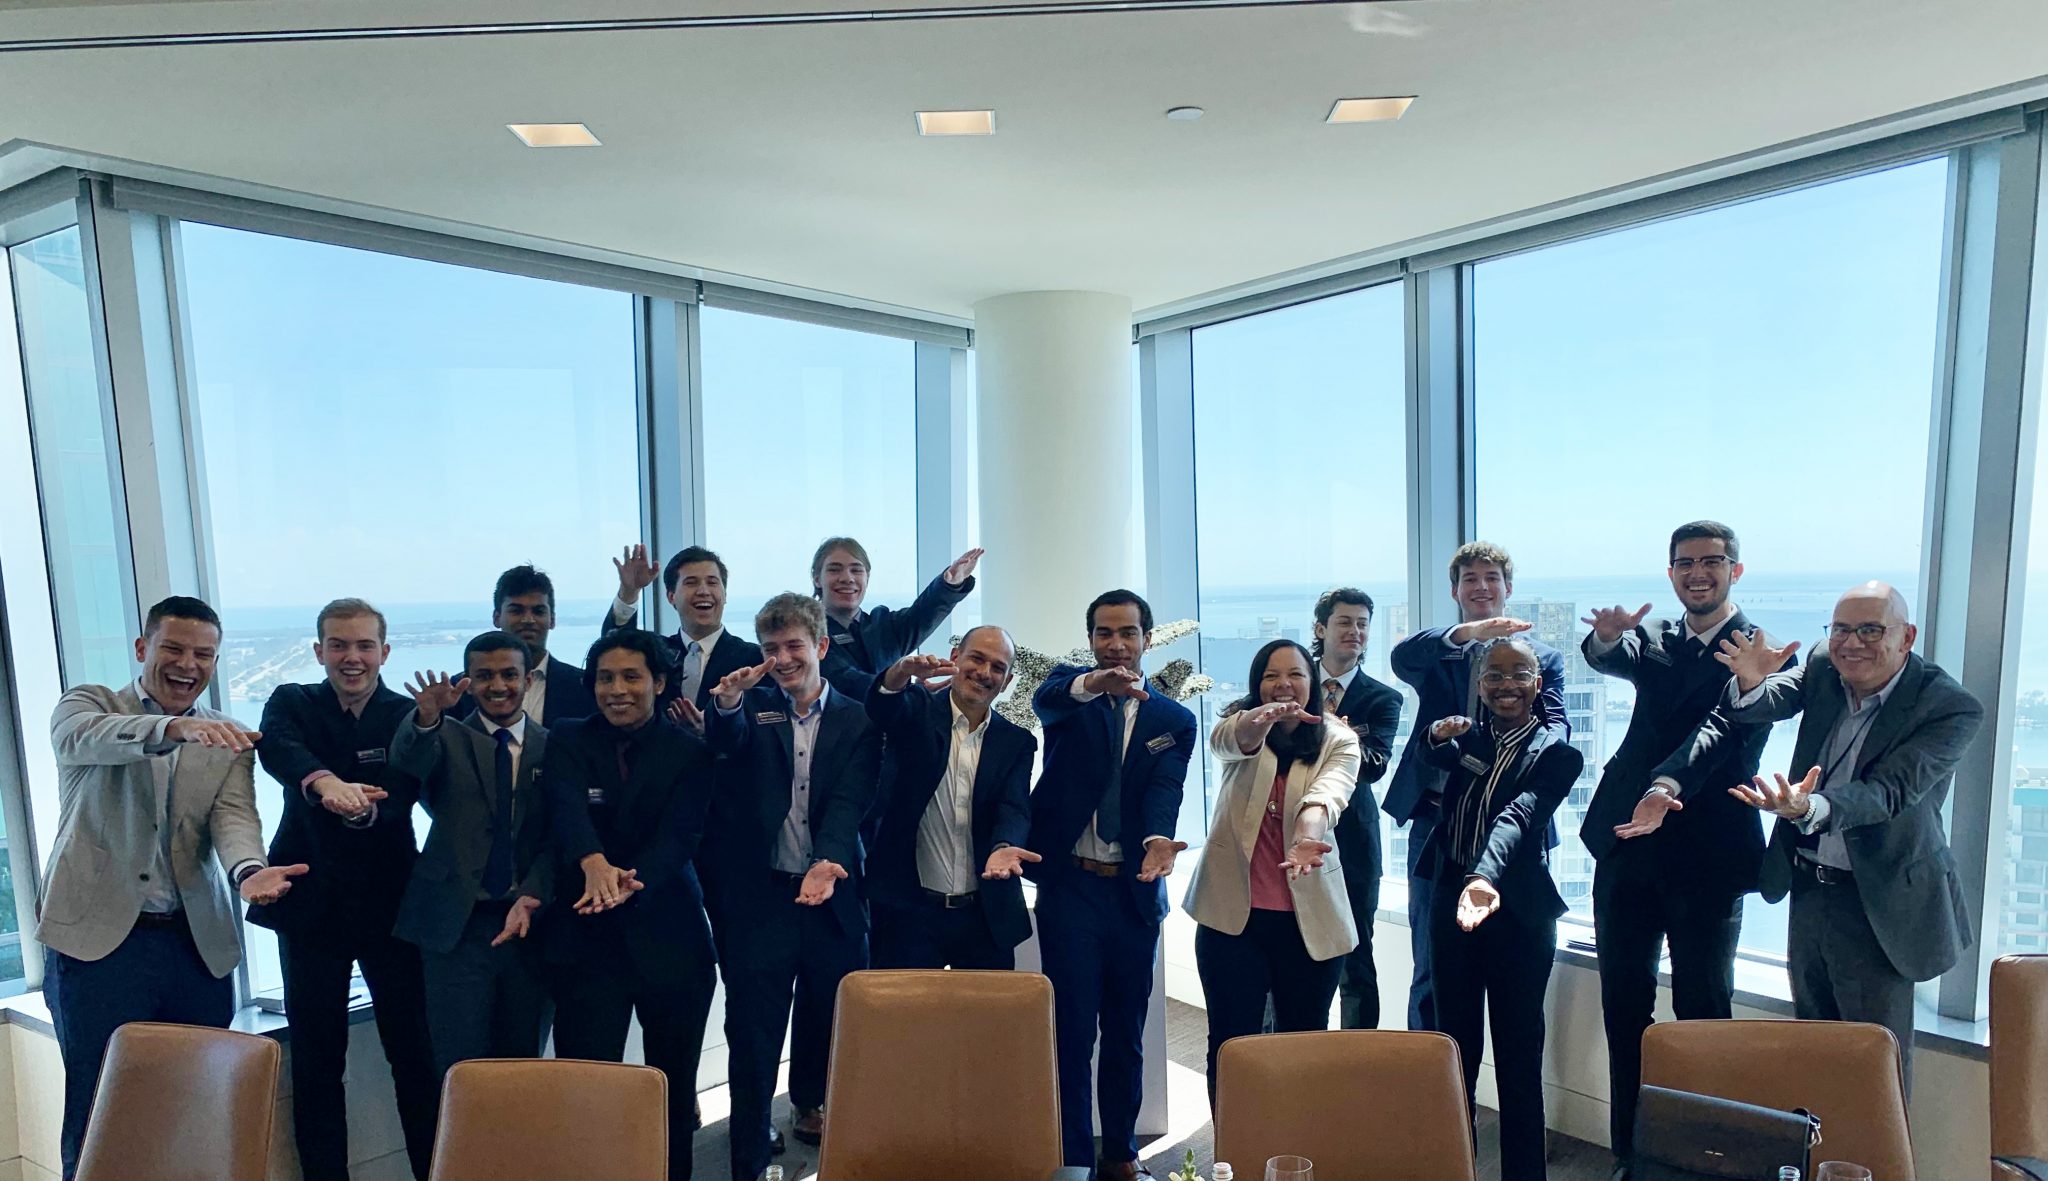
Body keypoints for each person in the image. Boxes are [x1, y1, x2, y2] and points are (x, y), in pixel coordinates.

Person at [36, 596, 305, 1181]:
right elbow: (81, 740)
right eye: (174, 649)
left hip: (193, 948)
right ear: (143, 649)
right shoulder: (89, 705)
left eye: (203, 654)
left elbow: (233, 819)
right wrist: (172, 727)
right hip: (100, 949)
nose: (189, 664)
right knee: (99, 1109)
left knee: (196, 1101)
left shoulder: (225, 738)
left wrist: (247, 872)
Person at [1710, 581, 1983, 1096]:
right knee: (1814, 1050)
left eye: (1870, 630)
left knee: (1873, 1068)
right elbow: (1771, 699)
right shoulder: (1822, 664)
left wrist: (1810, 807)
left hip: (1879, 902)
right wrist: (1749, 684)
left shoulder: (1948, 706)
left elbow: (1890, 793)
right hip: (1810, 888)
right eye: (1840, 629)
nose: (1851, 643)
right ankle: (1822, 1166)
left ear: (1907, 637)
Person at [1577, 521, 1789, 1165]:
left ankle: (1700, 1165)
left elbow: (1728, 727)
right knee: (1624, 1010)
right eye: (1685, 563)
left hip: (1709, 859)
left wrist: (1668, 783)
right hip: (1627, 847)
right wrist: (1606, 637)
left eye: (1712, 561)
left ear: (1736, 571)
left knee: (1703, 1015)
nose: (1698, 572)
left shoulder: (1765, 653)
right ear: (1670, 573)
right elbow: (1612, 655)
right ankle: (1628, 1158)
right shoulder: (1656, 638)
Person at [251, 599, 438, 1181]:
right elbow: (279, 750)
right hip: (309, 906)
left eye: (363, 646)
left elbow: (406, 789)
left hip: (392, 908)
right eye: (338, 645)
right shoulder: (292, 703)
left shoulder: (408, 714)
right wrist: (326, 783)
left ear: (384, 652)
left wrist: (361, 812)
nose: (351, 658)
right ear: (319, 652)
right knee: (316, 1062)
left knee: (414, 1057)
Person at [703, 593, 882, 1169]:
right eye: (770, 648)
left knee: (833, 1025)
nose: (782, 659)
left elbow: (851, 801)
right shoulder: (751, 707)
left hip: (834, 901)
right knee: (753, 1038)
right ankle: (749, 1156)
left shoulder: (857, 717)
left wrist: (829, 862)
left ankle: (821, 1120)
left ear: (821, 647)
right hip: (764, 901)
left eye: (793, 646)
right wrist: (727, 705)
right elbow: (725, 745)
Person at [1028, 589, 1197, 1181]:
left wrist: (1157, 838)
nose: (1116, 644)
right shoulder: (1070, 693)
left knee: (1124, 1032)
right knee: (1071, 1032)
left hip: (1133, 892)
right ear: (1092, 639)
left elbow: (1166, 790)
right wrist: (1095, 684)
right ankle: (1075, 1158)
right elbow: (1044, 700)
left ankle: (1121, 1153)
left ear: (1148, 639)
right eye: (1104, 633)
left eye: (1128, 633)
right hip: (1071, 890)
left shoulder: (1173, 720)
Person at [542, 628, 718, 1181]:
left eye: (632, 677)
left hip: (672, 939)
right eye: (605, 678)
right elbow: (566, 809)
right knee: (588, 1092)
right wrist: (593, 862)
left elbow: (681, 836)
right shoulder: (569, 738)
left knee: (671, 1091)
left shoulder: (689, 750)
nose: (617, 689)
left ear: (660, 683)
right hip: (587, 945)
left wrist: (623, 881)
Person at [1383, 542, 1568, 1031]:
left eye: (1491, 578)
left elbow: (1556, 722)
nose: (1481, 586)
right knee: (1430, 957)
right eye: (1470, 579)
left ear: (1509, 588)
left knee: (1517, 961)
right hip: (1439, 821)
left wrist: (1538, 760)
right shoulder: (1440, 650)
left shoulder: (1541, 659)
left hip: (1516, 823)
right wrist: (1468, 634)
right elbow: (1401, 658)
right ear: (1455, 591)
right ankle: (1430, 1082)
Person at [1423, 638, 1582, 1181]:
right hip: (1453, 907)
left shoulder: (1558, 752)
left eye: (1520, 674)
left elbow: (1519, 816)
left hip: (1516, 916)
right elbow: (1432, 767)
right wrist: (1433, 738)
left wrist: (1483, 878)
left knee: (1517, 1060)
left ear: (1539, 685)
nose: (1506, 684)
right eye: (1495, 675)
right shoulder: (1471, 737)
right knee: (1456, 1050)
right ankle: (1453, 1165)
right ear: (1480, 685)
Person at [1183, 639, 1360, 1102]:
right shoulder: (1238, 727)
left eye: (1296, 674)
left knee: (1302, 1047)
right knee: (1231, 1046)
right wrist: (1257, 719)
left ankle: (1296, 1157)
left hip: (1308, 923)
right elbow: (1229, 742)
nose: (1283, 684)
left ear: (1312, 681)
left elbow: (1327, 795)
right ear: (1256, 684)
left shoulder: (1339, 740)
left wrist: (1306, 836)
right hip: (1232, 920)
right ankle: (1233, 1159)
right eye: (1271, 675)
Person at [390, 630, 555, 1075]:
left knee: (521, 1063)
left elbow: (560, 836)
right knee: (459, 1067)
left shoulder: (554, 746)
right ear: (469, 680)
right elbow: (408, 761)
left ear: (528, 681)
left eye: (508, 674)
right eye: (484, 676)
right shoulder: (444, 738)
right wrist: (425, 716)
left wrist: (536, 893)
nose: (497, 685)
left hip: (527, 927)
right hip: (455, 927)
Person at [863, 626, 1039, 970]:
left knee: (985, 1020)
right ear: (956, 657)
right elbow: (882, 706)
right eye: (977, 658)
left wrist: (1005, 845)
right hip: (909, 912)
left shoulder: (1016, 741)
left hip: (984, 915)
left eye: (998, 668)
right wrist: (900, 672)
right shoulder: (916, 711)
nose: (984, 672)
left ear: (1007, 681)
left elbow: (1014, 807)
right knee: (902, 1020)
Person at [1311, 588, 1405, 1030]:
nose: (1355, 631)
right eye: (1345, 622)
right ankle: (1282, 1055)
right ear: (1321, 629)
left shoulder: (1383, 698)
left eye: (1363, 624)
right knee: (1286, 956)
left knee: (1355, 956)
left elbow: (1373, 768)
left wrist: (1331, 730)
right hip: (1288, 836)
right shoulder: (1292, 683)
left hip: (1353, 844)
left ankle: (1358, 1059)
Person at [811, 536, 983, 699]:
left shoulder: (883, 626)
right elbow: (847, 683)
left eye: (856, 570)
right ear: (817, 579)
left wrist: (949, 584)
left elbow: (923, 615)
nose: (847, 578)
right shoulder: (807, 637)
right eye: (834, 569)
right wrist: (906, 689)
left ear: (867, 577)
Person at [606, 543, 765, 715]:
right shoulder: (656, 651)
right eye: (691, 583)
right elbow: (614, 645)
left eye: (712, 582)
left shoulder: (755, 659)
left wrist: (711, 727)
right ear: (671, 596)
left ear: (724, 595)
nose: (703, 591)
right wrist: (629, 591)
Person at [454, 564, 597, 725]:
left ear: (552, 620)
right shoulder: (459, 689)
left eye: (538, 611)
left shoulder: (583, 686)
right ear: (496, 618)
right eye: (516, 611)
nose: (528, 620)